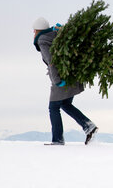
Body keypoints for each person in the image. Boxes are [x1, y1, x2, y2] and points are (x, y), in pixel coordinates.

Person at [32, 17, 98, 145]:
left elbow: (51, 61)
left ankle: (58, 140)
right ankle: (88, 126)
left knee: (53, 107)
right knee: (65, 104)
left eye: (34, 31)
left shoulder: (42, 40)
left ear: (37, 30)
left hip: (61, 76)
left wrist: (57, 80)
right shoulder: (55, 34)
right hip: (72, 74)